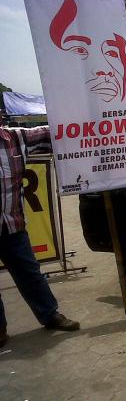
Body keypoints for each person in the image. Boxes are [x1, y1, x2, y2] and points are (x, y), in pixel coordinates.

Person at [0, 124, 80, 348]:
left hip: (13, 225)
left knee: (30, 272)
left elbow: (55, 131)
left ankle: (49, 315)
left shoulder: (15, 138)